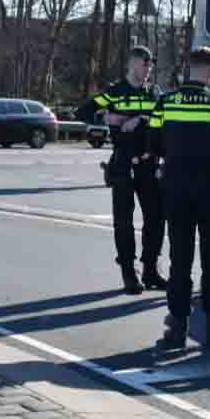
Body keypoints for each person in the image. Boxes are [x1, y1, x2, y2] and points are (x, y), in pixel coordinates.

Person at [150, 46, 210, 351]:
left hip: (176, 190)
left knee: (180, 260)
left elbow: (153, 143)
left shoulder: (165, 103)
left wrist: (175, 157)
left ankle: (177, 329)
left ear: (189, 68)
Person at [77, 45, 166, 295]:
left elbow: (164, 119)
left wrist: (141, 119)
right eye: (145, 64)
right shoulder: (115, 92)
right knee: (124, 222)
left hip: (149, 163)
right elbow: (83, 111)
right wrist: (106, 118)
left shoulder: (154, 93)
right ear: (133, 64)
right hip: (123, 163)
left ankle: (150, 270)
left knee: (156, 219)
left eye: (151, 65)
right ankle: (129, 273)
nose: (148, 69)